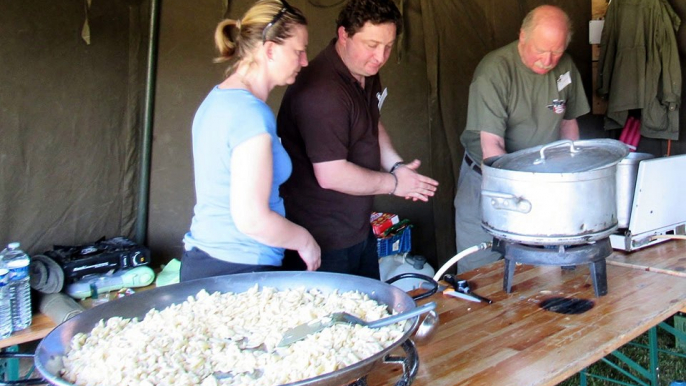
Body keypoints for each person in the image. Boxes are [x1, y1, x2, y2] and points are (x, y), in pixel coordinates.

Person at [277, 0, 439, 280]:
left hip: (356, 227)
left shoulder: (364, 69)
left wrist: (396, 166)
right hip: (322, 239)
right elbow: (331, 175)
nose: (380, 56)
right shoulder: (323, 92)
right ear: (344, 35)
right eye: (372, 45)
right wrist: (395, 184)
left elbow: (370, 121)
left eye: (388, 46)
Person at [181, 0, 321, 281]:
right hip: (240, 268)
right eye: (299, 51)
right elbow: (252, 219)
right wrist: (305, 240)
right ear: (270, 50)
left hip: (203, 260)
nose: (305, 61)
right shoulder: (251, 114)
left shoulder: (217, 99)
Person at [454, 5, 590, 273]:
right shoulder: (494, 71)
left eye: (557, 51)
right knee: (481, 274)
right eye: (540, 50)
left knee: (537, 274)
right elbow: (492, 147)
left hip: (542, 183)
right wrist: (518, 199)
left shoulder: (565, 67)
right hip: (489, 182)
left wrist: (566, 180)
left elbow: (568, 124)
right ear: (523, 36)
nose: (548, 60)